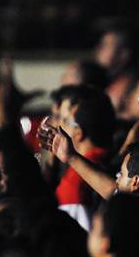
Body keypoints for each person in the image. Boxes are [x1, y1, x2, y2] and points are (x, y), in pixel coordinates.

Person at [48, 84, 117, 230]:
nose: (56, 124)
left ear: (78, 132)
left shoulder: (74, 183)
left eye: (64, 120)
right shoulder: (116, 160)